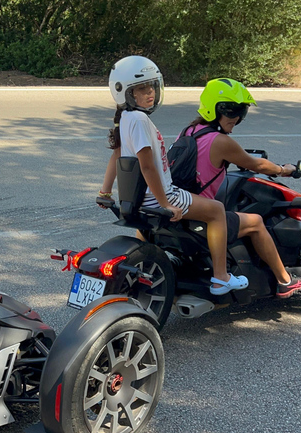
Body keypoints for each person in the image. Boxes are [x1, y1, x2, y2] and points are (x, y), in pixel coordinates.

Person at [99, 56, 248, 295]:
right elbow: (147, 167)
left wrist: (105, 191)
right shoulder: (140, 120)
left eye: (151, 87)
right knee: (217, 211)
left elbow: (117, 154)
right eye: (142, 89)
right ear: (126, 92)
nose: (150, 93)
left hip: (140, 198)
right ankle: (221, 278)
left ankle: (151, 261)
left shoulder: (125, 117)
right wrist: (166, 203)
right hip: (161, 195)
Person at [176, 78, 301, 298]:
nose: (236, 118)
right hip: (202, 214)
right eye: (231, 111)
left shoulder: (189, 131)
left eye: (241, 112)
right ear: (213, 109)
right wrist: (283, 169)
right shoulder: (221, 141)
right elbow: (257, 165)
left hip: (182, 203)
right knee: (255, 222)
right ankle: (285, 280)